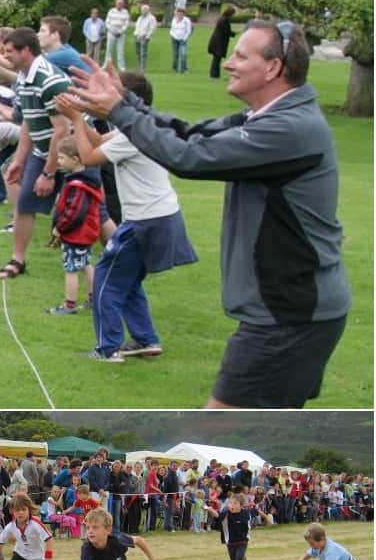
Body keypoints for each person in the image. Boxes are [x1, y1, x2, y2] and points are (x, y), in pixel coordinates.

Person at [69, 20, 350, 407]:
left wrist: (119, 110)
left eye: (241, 55)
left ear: (273, 68)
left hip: (289, 317)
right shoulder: (268, 118)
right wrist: (126, 102)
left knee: (216, 420)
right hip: (292, 313)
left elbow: (188, 157)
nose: (229, 63)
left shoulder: (290, 128)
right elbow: (187, 133)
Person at [55, 70, 197, 362]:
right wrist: (80, 113)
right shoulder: (140, 127)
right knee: (128, 280)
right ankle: (145, 339)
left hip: (145, 220)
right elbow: (99, 141)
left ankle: (107, 349)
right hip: (160, 216)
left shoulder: (133, 135)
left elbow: (89, 156)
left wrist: (77, 119)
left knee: (106, 280)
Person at [0, 28, 72, 281]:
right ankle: (18, 260)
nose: (5, 56)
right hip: (42, 150)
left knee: (91, 210)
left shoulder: (49, 81)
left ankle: (113, 254)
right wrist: (19, 160)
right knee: (25, 203)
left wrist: (48, 174)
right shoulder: (23, 78)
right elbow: (29, 121)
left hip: (75, 155)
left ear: (26, 51)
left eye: (9, 52)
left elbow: (62, 131)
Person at [46, 135, 102, 315]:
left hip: (76, 234)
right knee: (86, 264)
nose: (59, 161)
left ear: (75, 159)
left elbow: (74, 213)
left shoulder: (78, 185)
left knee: (70, 268)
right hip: (86, 233)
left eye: (61, 158)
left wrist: (59, 228)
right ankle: (95, 299)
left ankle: (69, 305)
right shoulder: (86, 179)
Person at [218, 490, 251, 560]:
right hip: (230, 541)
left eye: (235, 503)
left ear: (241, 506)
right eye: (231, 503)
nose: (232, 505)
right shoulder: (225, 513)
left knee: (239, 558)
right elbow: (218, 520)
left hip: (242, 540)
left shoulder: (245, 514)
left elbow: (243, 524)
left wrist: (265, 516)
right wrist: (213, 512)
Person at [207, 6, 235, 79]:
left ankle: (215, 75)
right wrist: (233, 34)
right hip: (219, 42)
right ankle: (214, 75)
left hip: (217, 41)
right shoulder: (224, 20)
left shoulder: (222, 18)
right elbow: (226, 31)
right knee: (216, 59)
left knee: (216, 59)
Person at [103, 0, 130, 70]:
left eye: (121, 3)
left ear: (123, 4)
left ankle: (121, 67)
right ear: (115, 4)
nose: (119, 5)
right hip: (111, 32)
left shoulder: (125, 12)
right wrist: (112, 31)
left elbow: (126, 23)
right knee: (109, 50)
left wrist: (121, 31)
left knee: (120, 51)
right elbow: (107, 22)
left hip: (121, 33)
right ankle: (106, 65)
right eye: (118, 3)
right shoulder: (111, 11)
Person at [133, 3, 157, 71]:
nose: (142, 11)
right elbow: (137, 26)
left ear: (148, 10)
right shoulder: (140, 17)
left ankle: (142, 68)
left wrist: (147, 36)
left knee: (143, 53)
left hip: (144, 37)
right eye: (142, 10)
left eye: (144, 10)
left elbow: (152, 28)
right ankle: (139, 66)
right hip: (137, 36)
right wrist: (135, 34)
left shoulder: (151, 18)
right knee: (138, 53)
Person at [169, 8, 192, 74]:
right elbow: (172, 29)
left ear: (183, 14)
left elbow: (188, 30)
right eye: (178, 13)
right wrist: (171, 34)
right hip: (174, 39)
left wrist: (185, 37)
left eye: (181, 13)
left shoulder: (186, 20)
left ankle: (183, 69)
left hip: (183, 39)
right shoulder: (174, 19)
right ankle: (175, 68)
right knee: (175, 54)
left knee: (183, 54)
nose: (179, 15)